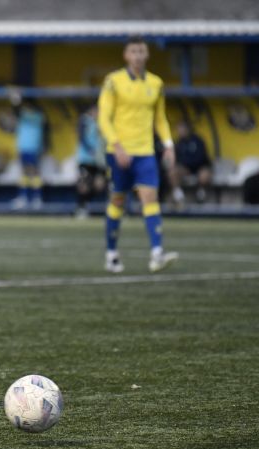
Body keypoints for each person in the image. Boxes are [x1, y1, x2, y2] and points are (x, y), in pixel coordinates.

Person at [98, 36, 179, 273]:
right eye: (133, 51)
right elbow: (104, 118)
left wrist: (168, 144)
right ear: (126, 55)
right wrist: (117, 146)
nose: (137, 56)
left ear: (147, 55)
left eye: (141, 51)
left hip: (145, 151)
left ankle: (157, 254)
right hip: (119, 152)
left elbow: (160, 118)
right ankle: (111, 254)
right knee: (118, 201)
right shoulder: (113, 81)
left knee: (150, 198)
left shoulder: (156, 83)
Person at [169, 121, 213, 206]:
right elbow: (177, 159)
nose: (180, 131)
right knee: (173, 172)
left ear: (187, 129)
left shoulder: (198, 140)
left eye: (181, 129)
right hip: (187, 169)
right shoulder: (179, 143)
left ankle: (201, 194)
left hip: (200, 167)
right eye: (178, 129)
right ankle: (178, 195)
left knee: (204, 175)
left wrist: (189, 162)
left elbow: (202, 157)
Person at [12, 101, 46, 209]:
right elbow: (16, 112)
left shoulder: (38, 116)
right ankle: (23, 197)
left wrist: (16, 102)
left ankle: (37, 197)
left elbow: (17, 111)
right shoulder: (22, 116)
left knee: (34, 171)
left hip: (33, 148)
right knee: (24, 172)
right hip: (23, 148)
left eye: (26, 107)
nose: (24, 109)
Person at [75, 104, 107, 218]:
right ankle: (81, 207)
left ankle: (89, 204)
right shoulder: (84, 121)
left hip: (98, 160)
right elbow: (81, 137)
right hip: (85, 159)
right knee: (84, 183)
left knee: (99, 184)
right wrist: (90, 150)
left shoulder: (101, 122)